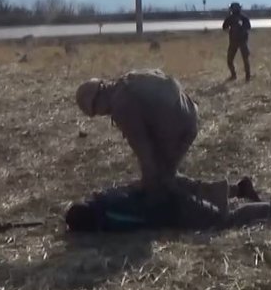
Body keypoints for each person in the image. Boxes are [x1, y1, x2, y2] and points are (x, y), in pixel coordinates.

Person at [76, 69, 203, 202]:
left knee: (162, 182)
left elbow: (144, 151)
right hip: (188, 113)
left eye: (96, 111)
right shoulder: (127, 82)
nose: (101, 114)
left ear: (98, 98)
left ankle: (207, 210)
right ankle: (217, 191)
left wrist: (147, 187)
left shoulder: (122, 106)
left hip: (178, 128)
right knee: (166, 173)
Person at [64, 176, 271, 233]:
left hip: (175, 209)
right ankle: (239, 189)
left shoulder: (109, 216)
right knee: (201, 188)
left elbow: (142, 221)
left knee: (223, 221)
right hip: (164, 185)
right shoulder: (104, 198)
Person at [222, 2, 252, 81]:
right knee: (245, 60)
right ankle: (247, 77)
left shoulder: (230, 18)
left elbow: (224, 28)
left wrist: (231, 32)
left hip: (233, 41)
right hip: (242, 41)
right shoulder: (244, 17)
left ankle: (234, 75)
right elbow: (248, 28)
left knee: (230, 60)